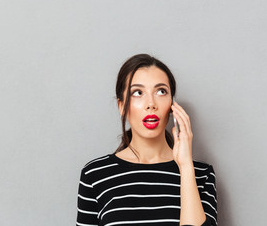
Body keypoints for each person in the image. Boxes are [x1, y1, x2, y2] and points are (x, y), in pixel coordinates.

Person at [76, 54, 217, 226]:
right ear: (122, 106)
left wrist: (186, 167)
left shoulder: (201, 174)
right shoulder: (95, 175)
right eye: (137, 93)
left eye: (161, 91)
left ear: (172, 104)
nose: (151, 103)